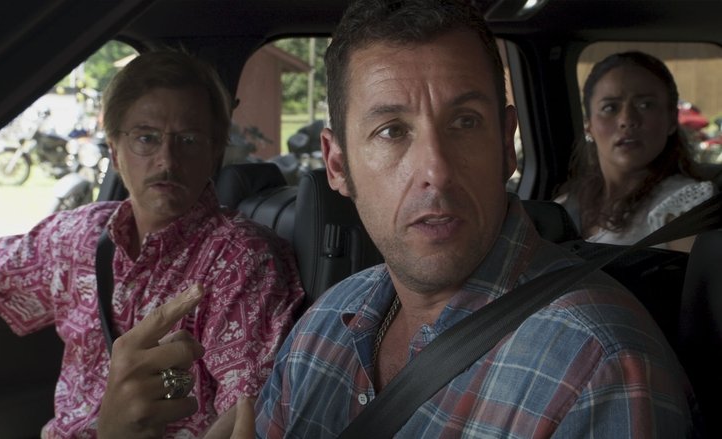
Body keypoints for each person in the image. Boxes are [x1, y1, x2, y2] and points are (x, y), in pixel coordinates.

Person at [253, 1, 699, 437]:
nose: (437, 171)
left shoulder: (597, 371)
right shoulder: (322, 324)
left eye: (465, 122)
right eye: (391, 130)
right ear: (337, 165)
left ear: (506, 144)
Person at [0, 50, 305, 438]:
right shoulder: (77, 235)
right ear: (115, 151)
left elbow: (245, 412)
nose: (167, 160)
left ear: (214, 152)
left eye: (188, 139)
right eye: (146, 138)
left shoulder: (240, 259)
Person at [555, 51, 714, 252]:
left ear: (672, 121)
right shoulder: (566, 206)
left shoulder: (687, 206)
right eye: (610, 108)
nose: (627, 120)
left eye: (645, 105)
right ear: (589, 125)